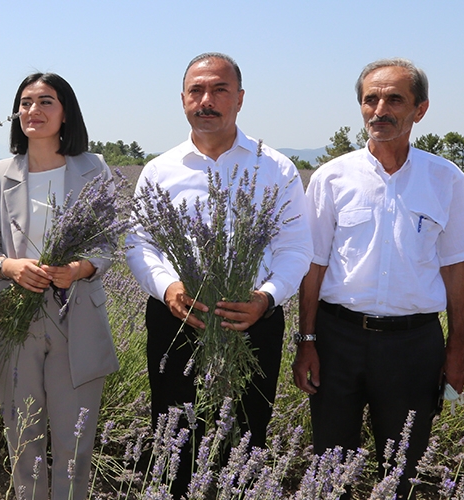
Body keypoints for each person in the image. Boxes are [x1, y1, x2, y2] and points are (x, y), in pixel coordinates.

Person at [125, 52, 312, 496]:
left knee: (245, 441)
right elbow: (139, 244)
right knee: (174, 440)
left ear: (240, 98)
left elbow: (296, 248)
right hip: (177, 321)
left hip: (252, 322)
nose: (206, 100)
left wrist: (265, 298)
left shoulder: (276, 168)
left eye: (219, 90)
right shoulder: (159, 170)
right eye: (196, 91)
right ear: (183, 99)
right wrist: (168, 288)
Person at [293, 58, 464, 492]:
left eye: (394, 99)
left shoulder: (446, 179)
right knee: (330, 468)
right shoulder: (332, 177)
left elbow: (457, 268)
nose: (379, 110)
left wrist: (457, 348)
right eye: (370, 99)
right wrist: (307, 341)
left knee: (404, 469)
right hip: (338, 340)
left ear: (420, 109)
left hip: (414, 346)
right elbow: (313, 265)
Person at [0, 73, 116, 500]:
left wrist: (80, 268)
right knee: (24, 440)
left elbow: (109, 241)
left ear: (66, 112)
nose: (33, 111)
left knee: (75, 443)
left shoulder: (94, 168)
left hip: (78, 316)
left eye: (45, 102)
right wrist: (10, 267)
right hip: (15, 318)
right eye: (25, 103)